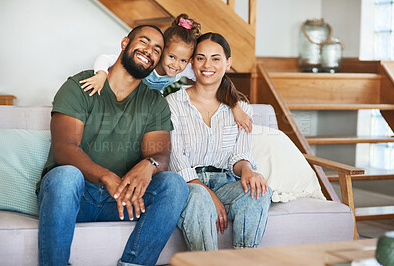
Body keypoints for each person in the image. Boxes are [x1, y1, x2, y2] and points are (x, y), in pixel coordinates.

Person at [37, 25, 189, 266]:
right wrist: (107, 176)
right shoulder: (80, 86)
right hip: (76, 195)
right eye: (144, 42)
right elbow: (64, 148)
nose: (149, 50)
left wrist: (149, 165)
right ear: (124, 43)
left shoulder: (154, 102)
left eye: (157, 49)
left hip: (121, 198)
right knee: (65, 176)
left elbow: (160, 153)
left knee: (174, 185)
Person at [166, 32, 272, 251]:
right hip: (190, 187)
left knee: (259, 190)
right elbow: (176, 160)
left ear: (228, 63)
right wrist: (209, 195)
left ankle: (245, 259)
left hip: (224, 183)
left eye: (216, 58)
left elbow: (238, 156)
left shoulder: (240, 108)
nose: (208, 65)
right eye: (200, 57)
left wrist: (247, 171)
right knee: (199, 198)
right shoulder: (173, 103)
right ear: (192, 63)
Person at [79, 14, 253, 133]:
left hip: (145, 103)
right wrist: (101, 74)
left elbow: (214, 79)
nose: (176, 65)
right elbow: (105, 58)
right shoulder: (147, 62)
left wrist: (235, 106)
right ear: (161, 52)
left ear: (189, 61)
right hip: (121, 94)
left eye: (183, 60)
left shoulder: (183, 69)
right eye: (171, 57)